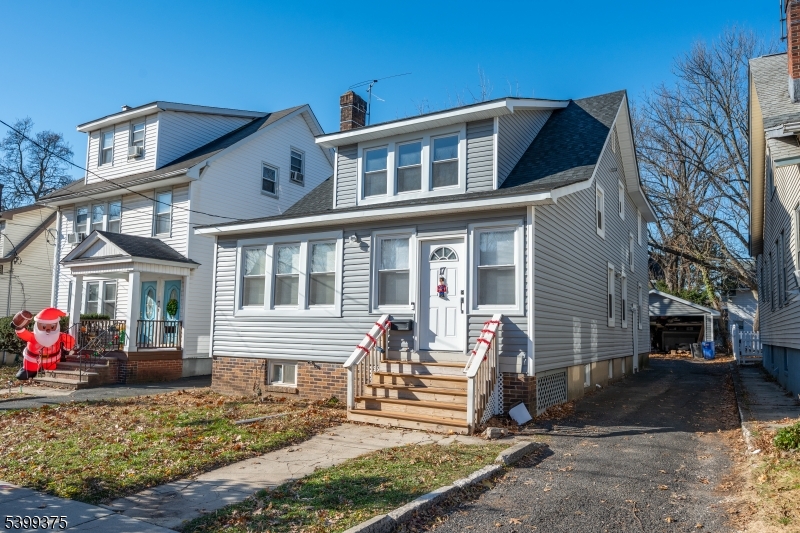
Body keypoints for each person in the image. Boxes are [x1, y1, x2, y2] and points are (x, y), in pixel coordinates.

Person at [12, 308, 76, 380]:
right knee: (26, 373)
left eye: (52, 327)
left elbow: (69, 339)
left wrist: (67, 349)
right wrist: (19, 327)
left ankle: (48, 372)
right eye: (44, 327)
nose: (48, 330)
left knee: (52, 369)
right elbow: (23, 333)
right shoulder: (33, 336)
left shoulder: (59, 336)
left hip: (52, 360)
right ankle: (29, 371)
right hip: (33, 360)